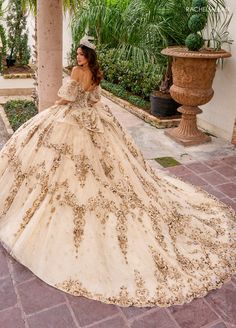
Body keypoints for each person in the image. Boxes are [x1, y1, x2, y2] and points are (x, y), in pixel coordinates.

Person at [0, 35, 235, 308]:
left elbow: (65, 99)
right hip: (94, 120)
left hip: (73, 121)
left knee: (66, 167)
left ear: (88, 56)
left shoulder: (77, 72)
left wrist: (56, 107)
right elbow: (96, 99)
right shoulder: (95, 73)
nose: (78, 58)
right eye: (77, 54)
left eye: (81, 54)